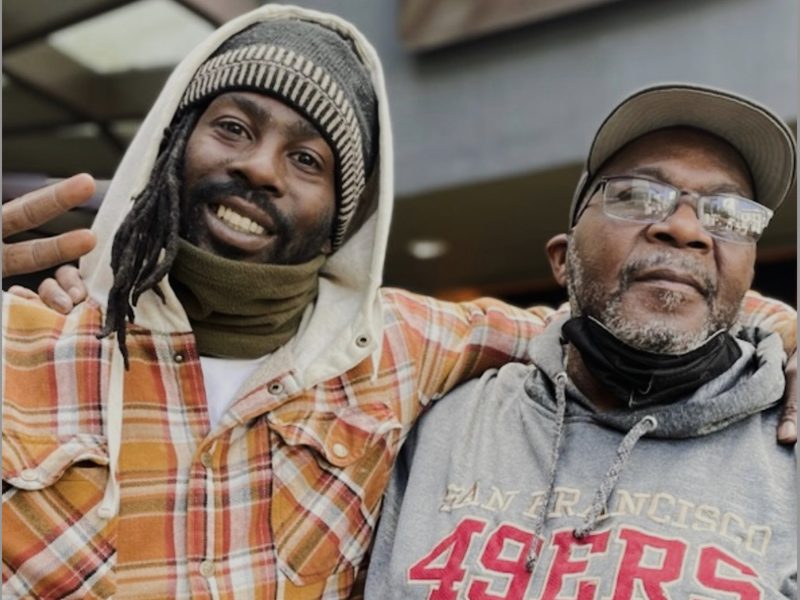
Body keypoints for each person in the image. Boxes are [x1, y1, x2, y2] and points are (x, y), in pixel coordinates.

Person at [1, 6, 794, 597]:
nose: (262, 170)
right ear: (173, 143)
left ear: (346, 210)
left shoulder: (403, 348)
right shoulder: (26, 347)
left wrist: (775, 335)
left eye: (308, 158)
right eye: (234, 127)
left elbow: (632, 316)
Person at [365, 83, 797, 598]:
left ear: (747, 275)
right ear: (561, 260)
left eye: (727, 214)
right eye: (638, 195)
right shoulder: (448, 427)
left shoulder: (786, 451)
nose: (686, 229)